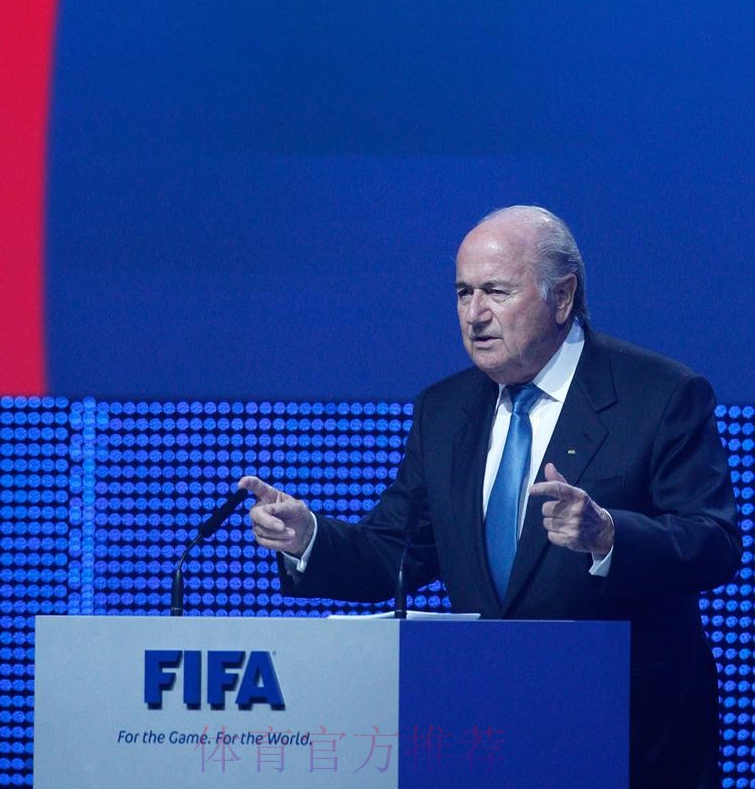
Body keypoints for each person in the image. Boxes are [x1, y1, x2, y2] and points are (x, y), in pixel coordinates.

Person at [239, 205, 741, 788]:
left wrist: (609, 536)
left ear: (562, 296)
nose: (474, 315)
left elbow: (714, 543)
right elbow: (397, 551)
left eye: (497, 292)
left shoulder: (660, 394)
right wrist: (309, 538)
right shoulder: (445, 410)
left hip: (630, 738)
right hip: (488, 735)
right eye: (463, 293)